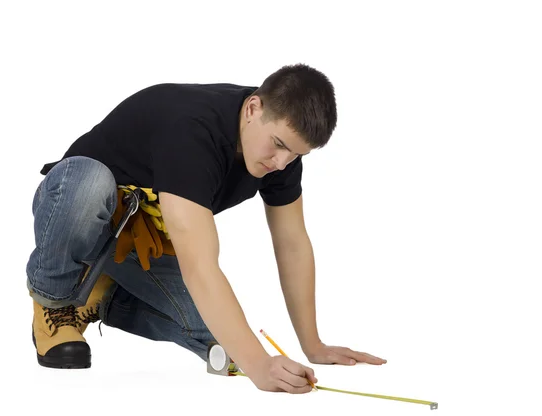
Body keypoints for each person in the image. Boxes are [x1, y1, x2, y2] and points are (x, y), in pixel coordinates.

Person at [26, 63, 387, 394]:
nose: (282, 163)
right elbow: (199, 265)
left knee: (223, 341)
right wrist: (259, 365)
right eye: (279, 146)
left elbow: (292, 243)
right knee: (88, 181)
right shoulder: (191, 130)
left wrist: (313, 345)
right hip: (74, 214)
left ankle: (99, 296)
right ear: (252, 109)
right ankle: (53, 301)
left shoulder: (281, 153)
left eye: (296, 155)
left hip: (139, 244)